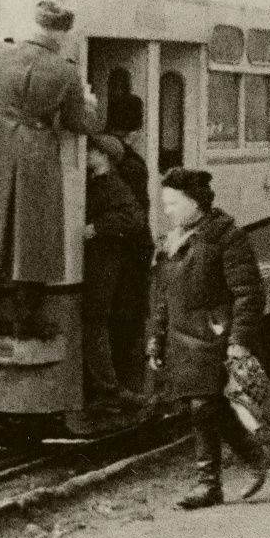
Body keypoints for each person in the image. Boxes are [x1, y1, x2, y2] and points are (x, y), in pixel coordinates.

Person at [0, 2, 102, 339]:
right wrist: (91, 104)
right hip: (37, 149)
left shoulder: (1, 54)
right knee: (35, 230)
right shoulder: (66, 71)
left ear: (35, 25)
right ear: (62, 32)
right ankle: (26, 319)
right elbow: (77, 122)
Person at [147, 168, 268, 509]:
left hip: (215, 336)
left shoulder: (225, 236)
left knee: (203, 408)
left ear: (195, 202)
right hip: (182, 339)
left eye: (172, 203)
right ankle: (252, 454)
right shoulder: (173, 240)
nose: (166, 210)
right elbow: (164, 297)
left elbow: (248, 292)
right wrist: (156, 339)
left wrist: (240, 339)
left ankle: (208, 484)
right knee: (205, 409)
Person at [83, 135, 146, 413]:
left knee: (95, 321)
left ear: (105, 156)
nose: (87, 152)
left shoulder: (112, 185)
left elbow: (134, 218)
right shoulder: (98, 182)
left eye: (93, 150)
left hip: (104, 264)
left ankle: (109, 390)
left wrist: (97, 227)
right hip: (100, 263)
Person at [106, 94, 154, 397]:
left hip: (116, 253)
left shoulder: (109, 155)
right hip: (132, 254)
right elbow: (137, 215)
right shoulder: (130, 162)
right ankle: (131, 385)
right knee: (130, 320)